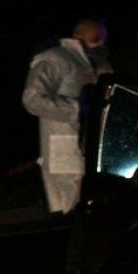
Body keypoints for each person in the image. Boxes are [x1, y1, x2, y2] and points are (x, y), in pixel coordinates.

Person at [22, 18, 109, 214]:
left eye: (104, 39)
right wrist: (78, 110)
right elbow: (32, 99)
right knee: (68, 212)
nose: (101, 43)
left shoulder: (96, 64)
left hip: (93, 151)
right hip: (65, 151)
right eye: (96, 37)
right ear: (77, 36)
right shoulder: (55, 58)